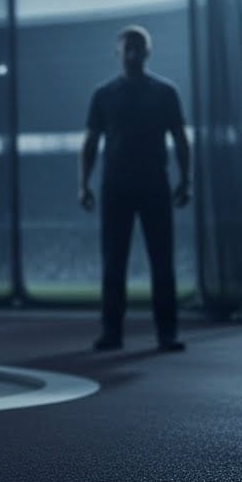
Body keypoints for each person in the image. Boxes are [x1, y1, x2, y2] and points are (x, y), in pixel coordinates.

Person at [78, 25, 190, 352]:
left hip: (155, 184)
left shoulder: (166, 92)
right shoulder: (103, 95)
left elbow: (181, 138)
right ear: (118, 53)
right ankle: (112, 332)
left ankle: (166, 333)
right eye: (127, 48)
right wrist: (83, 185)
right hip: (116, 186)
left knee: (162, 263)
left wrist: (186, 179)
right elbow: (90, 142)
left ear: (147, 52)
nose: (132, 54)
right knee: (114, 262)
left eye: (137, 48)